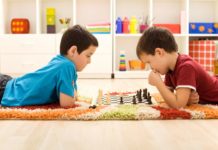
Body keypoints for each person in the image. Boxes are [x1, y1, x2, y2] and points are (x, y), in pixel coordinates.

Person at [0, 25, 98, 107]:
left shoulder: (60, 61)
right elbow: (67, 103)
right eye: (88, 55)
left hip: (9, 84)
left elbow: (73, 95)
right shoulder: (67, 66)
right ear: (73, 51)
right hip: (6, 91)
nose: (89, 61)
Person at [136, 26, 218, 109]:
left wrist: (158, 83)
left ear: (159, 52)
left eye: (149, 62)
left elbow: (178, 105)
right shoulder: (169, 69)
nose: (151, 68)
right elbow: (170, 97)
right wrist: (185, 100)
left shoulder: (186, 67)